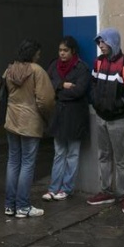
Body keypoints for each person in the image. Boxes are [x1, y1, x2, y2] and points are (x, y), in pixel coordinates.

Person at [88, 27, 124, 214]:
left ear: (113, 42)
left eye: (103, 42)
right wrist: (96, 103)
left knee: (121, 159)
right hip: (100, 118)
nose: (101, 46)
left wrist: (119, 104)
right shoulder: (98, 63)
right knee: (103, 155)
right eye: (99, 43)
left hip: (119, 119)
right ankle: (105, 192)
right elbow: (93, 84)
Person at [1, 39, 55, 218]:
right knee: (27, 164)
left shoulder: (9, 69)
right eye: (38, 54)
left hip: (12, 120)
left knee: (13, 162)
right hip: (30, 122)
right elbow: (45, 100)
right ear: (33, 54)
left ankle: (10, 205)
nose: (39, 56)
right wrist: (46, 117)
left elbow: (4, 93)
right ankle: (23, 206)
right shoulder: (37, 71)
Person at [43, 36, 90, 202]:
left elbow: (79, 91)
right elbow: (48, 86)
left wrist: (59, 91)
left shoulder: (82, 68)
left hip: (75, 116)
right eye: (60, 50)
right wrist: (63, 85)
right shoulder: (53, 66)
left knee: (72, 154)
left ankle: (66, 188)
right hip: (59, 116)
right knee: (59, 153)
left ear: (73, 51)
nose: (62, 53)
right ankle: (53, 188)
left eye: (65, 50)